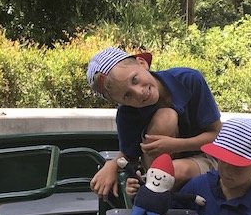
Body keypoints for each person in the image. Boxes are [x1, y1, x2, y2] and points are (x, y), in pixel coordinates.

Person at [86, 47, 222, 199]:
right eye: (127, 96)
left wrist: (176, 145)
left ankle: (149, 190)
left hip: (201, 157)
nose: (139, 92)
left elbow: (217, 136)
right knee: (166, 121)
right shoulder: (127, 113)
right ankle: (148, 188)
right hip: (154, 167)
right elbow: (128, 155)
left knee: (173, 169)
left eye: (135, 79)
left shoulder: (189, 79)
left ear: (142, 63)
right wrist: (111, 165)